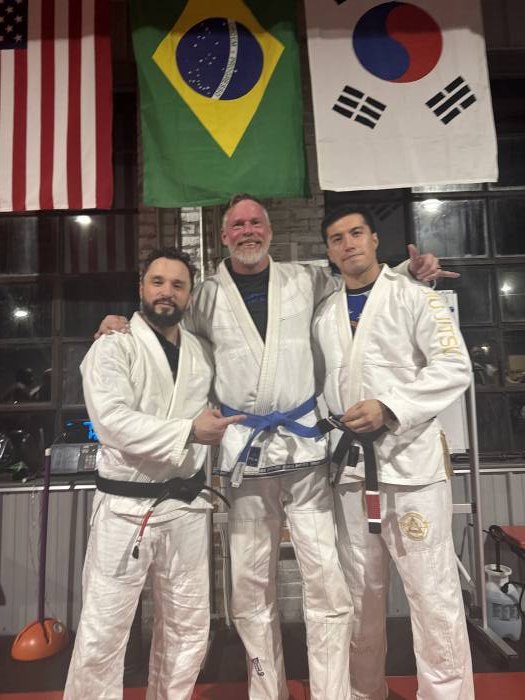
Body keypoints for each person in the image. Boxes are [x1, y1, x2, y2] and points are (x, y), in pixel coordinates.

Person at [96, 195, 447, 700]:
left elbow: (363, 285)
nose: (248, 231)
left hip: (306, 453)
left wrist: (409, 276)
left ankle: (333, 693)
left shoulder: (307, 279)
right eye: (237, 224)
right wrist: (122, 324)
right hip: (246, 456)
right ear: (224, 236)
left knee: (326, 582)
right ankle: (267, 692)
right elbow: (163, 325)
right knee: (250, 586)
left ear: (269, 230)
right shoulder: (204, 297)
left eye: (256, 222)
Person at [64, 248, 243, 700]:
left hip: (185, 508)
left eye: (178, 285)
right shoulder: (113, 346)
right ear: (141, 287)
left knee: (188, 626)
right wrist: (188, 431)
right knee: (104, 630)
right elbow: (112, 421)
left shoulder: (201, 353)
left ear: (189, 296)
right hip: (126, 507)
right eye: (158, 282)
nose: (167, 292)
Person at [312, 205, 474, 700]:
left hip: (412, 467)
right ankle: (365, 692)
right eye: (337, 238)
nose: (348, 244)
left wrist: (389, 406)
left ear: (374, 239)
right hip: (351, 472)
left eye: (356, 233)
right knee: (360, 596)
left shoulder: (416, 297)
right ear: (329, 251)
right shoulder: (324, 313)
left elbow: (454, 367)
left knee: (433, 595)